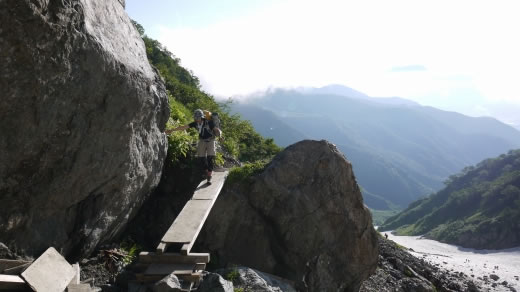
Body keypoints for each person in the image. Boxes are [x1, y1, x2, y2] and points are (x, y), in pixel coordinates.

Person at [166, 109, 221, 184]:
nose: (197, 120)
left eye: (198, 118)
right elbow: (184, 127)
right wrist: (172, 130)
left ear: (202, 117)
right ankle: (206, 171)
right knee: (201, 157)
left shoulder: (209, 122)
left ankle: (209, 176)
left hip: (211, 140)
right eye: (196, 118)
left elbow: (216, 130)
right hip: (202, 140)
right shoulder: (195, 123)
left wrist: (219, 135)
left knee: (210, 158)